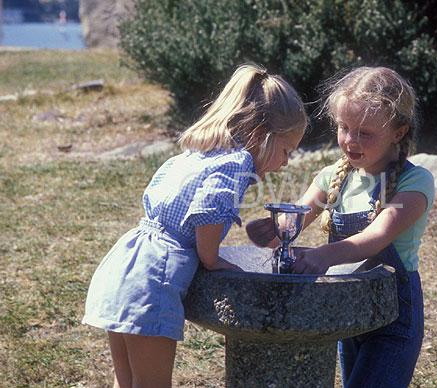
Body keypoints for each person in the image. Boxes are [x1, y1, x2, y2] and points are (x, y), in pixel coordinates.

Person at [82, 64, 307, 388]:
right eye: (286, 151)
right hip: (152, 280)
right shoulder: (236, 163)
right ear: (262, 136)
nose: (285, 162)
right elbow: (208, 212)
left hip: (127, 263)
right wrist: (214, 260)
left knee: (127, 382)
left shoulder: (198, 154)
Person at [247, 66, 434, 388]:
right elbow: (296, 219)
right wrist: (273, 231)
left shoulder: (414, 182)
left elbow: (376, 237)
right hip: (346, 312)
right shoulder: (333, 176)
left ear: (398, 132)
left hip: (394, 320)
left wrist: (325, 255)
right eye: (344, 127)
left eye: (365, 132)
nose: (350, 140)